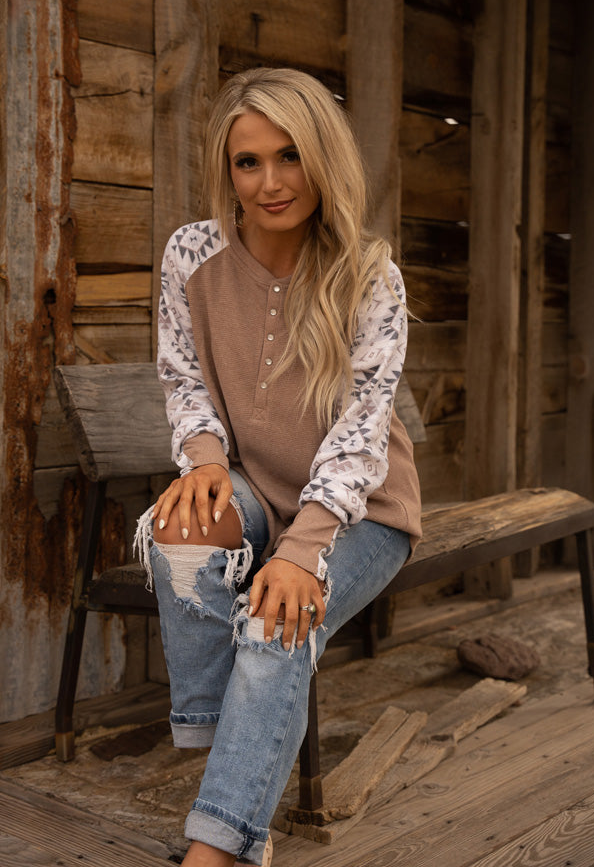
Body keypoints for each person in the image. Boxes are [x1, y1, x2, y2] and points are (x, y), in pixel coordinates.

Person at [134, 67, 422, 867]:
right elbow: (183, 376)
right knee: (180, 527)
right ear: (225, 168)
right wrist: (204, 462)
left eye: (290, 156)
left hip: (362, 511)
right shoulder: (191, 253)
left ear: (322, 158)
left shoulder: (370, 276)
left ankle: (218, 849)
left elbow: (362, 431)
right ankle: (236, 738)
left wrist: (302, 551)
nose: (270, 182)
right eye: (247, 161)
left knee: (274, 622)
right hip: (255, 484)